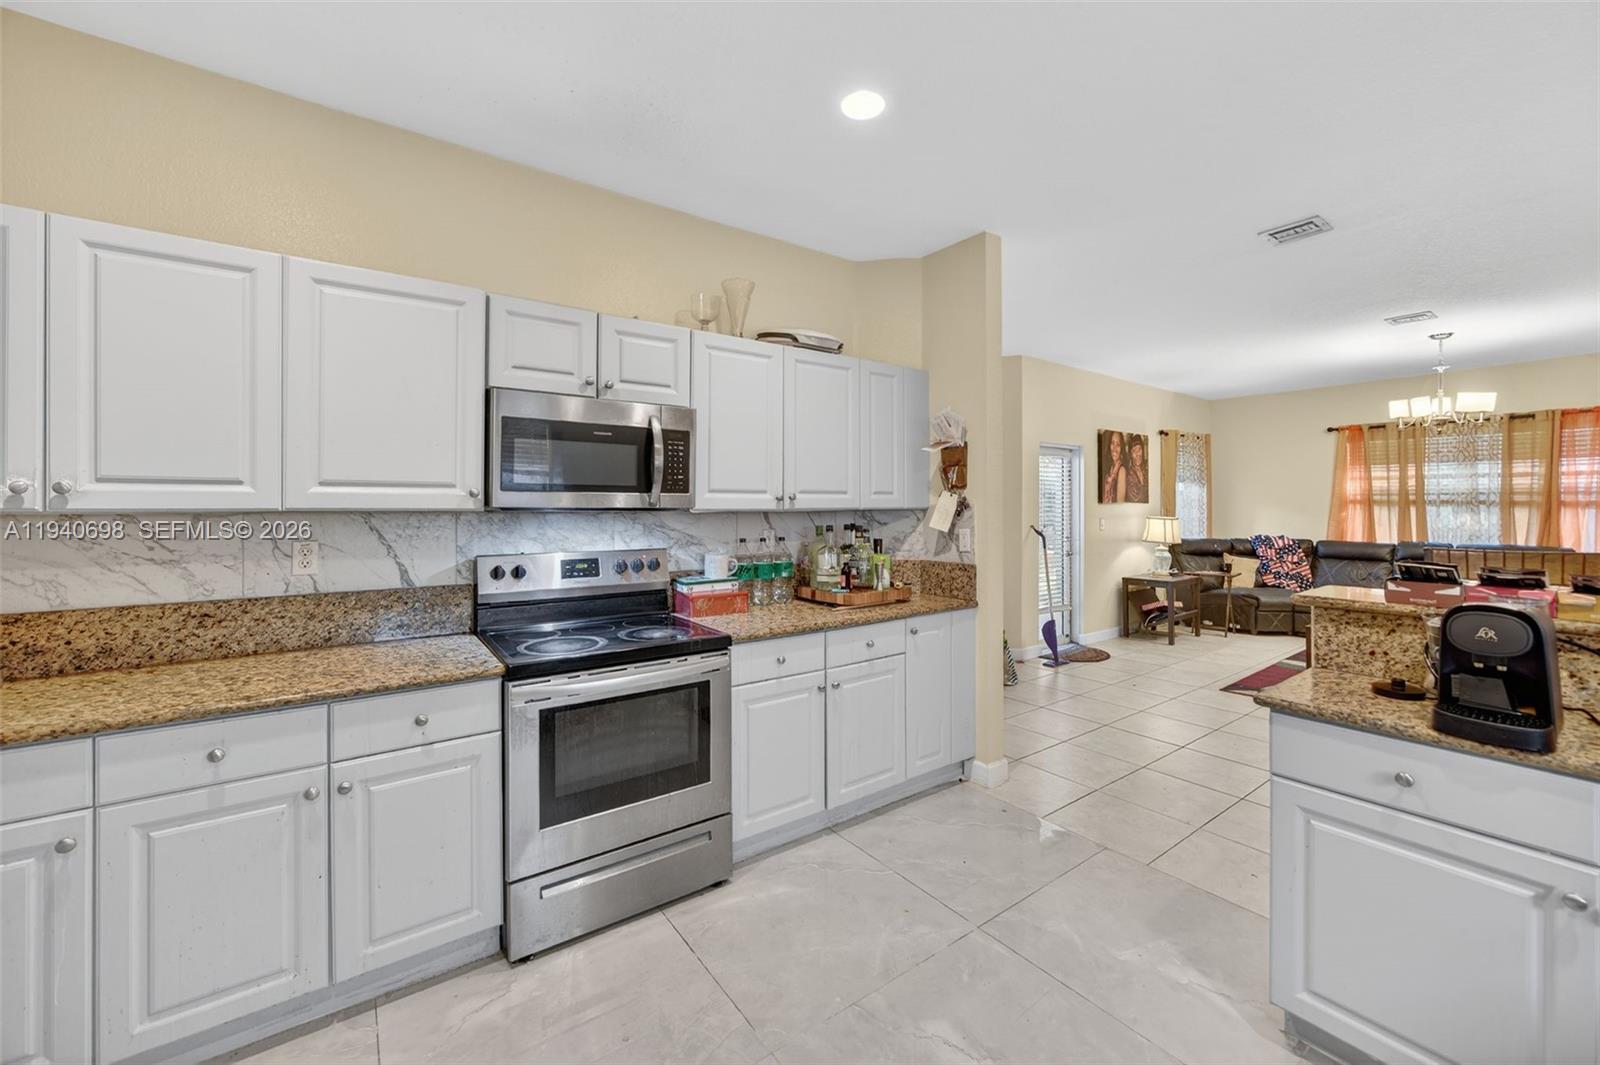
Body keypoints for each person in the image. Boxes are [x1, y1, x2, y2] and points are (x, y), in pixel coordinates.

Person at [1101, 431, 1126, 502]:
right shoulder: (1110, 468)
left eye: (1118, 444)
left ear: (1121, 449)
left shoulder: (1121, 470)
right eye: (1112, 443)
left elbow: (1120, 503)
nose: (1114, 449)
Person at [1126, 435, 1149, 503]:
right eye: (1134, 450)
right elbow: (1136, 500)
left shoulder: (1146, 471)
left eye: (1139, 449)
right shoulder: (1129, 475)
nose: (1137, 454)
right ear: (1130, 454)